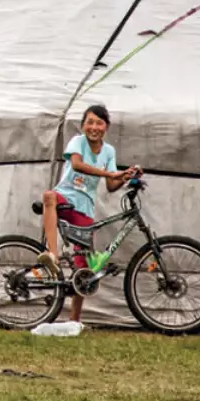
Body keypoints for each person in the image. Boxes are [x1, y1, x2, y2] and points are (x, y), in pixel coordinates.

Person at [36, 104, 141, 322]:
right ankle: (52, 255)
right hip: (65, 198)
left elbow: (111, 185)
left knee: (83, 269)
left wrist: (127, 176)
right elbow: (77, 165)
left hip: (84, 208)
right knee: (48, 196)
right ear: (83, 125)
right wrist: (108, 173)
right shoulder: (78, 141)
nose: (94, 127)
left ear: (107, 126)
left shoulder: (109, 151)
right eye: (89, 122)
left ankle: (75, 321)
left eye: (99, 123)